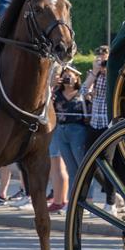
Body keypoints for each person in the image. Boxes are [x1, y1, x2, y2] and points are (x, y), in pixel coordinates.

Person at [82, 45, 121, 215]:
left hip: (109, 124)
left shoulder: (114, 75)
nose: (103, 62)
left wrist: (108, 70)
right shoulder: (96, 75)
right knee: (89, 161)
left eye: (105, 59)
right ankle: (113, 194)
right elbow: (83, 91)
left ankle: (110, 202)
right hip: (95, 123)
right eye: (100, 59)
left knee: (107, 162)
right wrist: (94, 71)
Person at [49, 66, 90, 214]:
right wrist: (54, 82)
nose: (68, 79)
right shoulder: (56, 93)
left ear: (77, 78)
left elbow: (89, 86)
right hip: (61, 130)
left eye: (71, 76)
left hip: (78, 130)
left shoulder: (82, 92)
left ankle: (88, 202)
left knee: (82, 167)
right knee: (72, 170)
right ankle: (74, 202)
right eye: (65, 76)